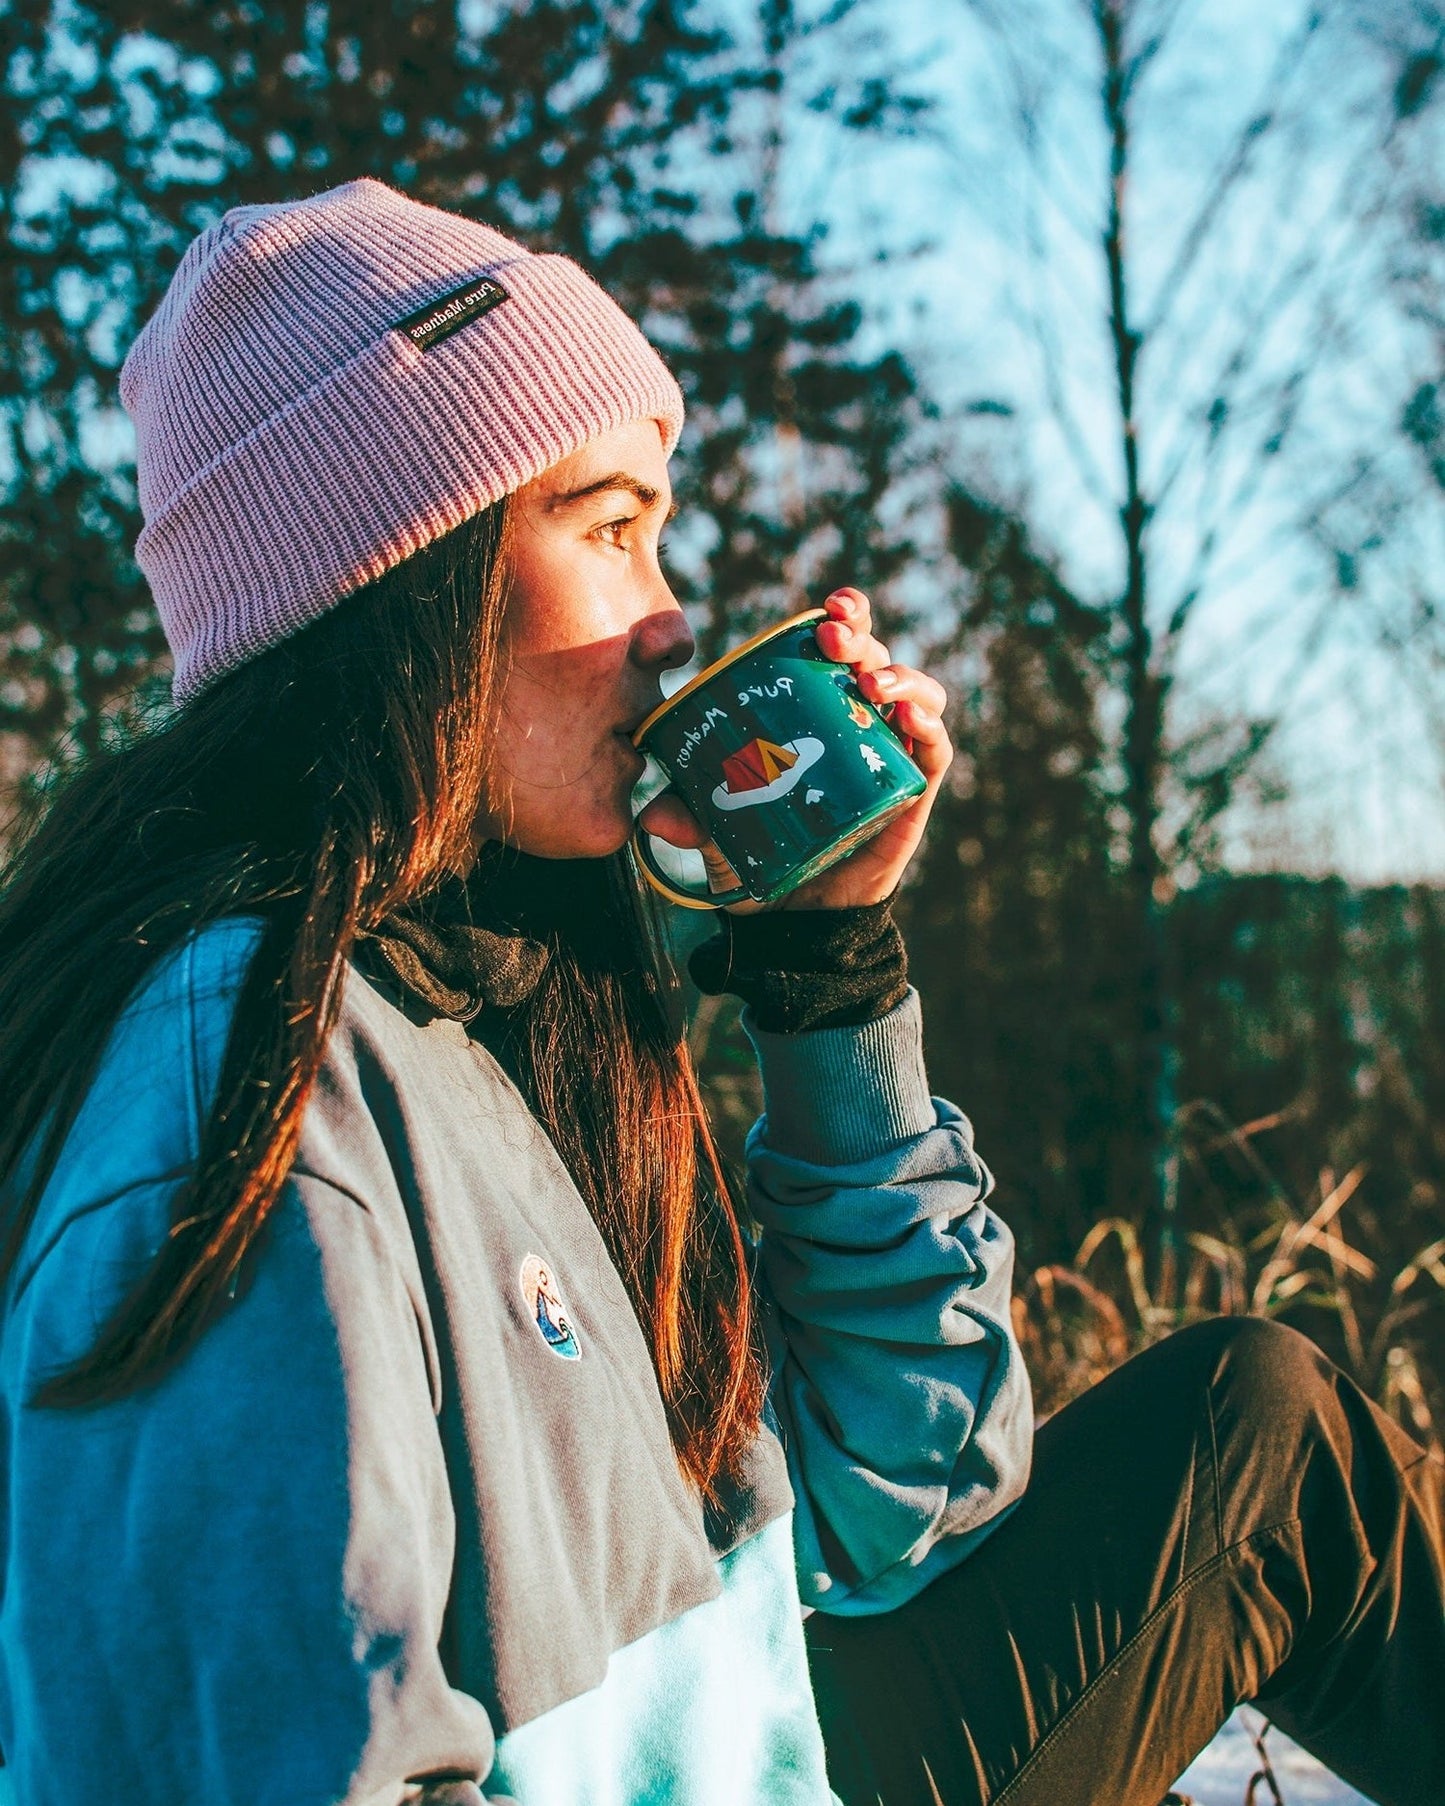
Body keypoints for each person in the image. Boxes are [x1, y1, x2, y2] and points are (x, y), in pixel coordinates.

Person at [0, 177, 1439, 1806]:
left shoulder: (494, 1005)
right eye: (608, 526)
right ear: (398, 576)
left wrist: (828, 965)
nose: (670, 614)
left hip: (770, 1751)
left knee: (1259, 1425)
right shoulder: (245, 1103)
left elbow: (903, 1501)